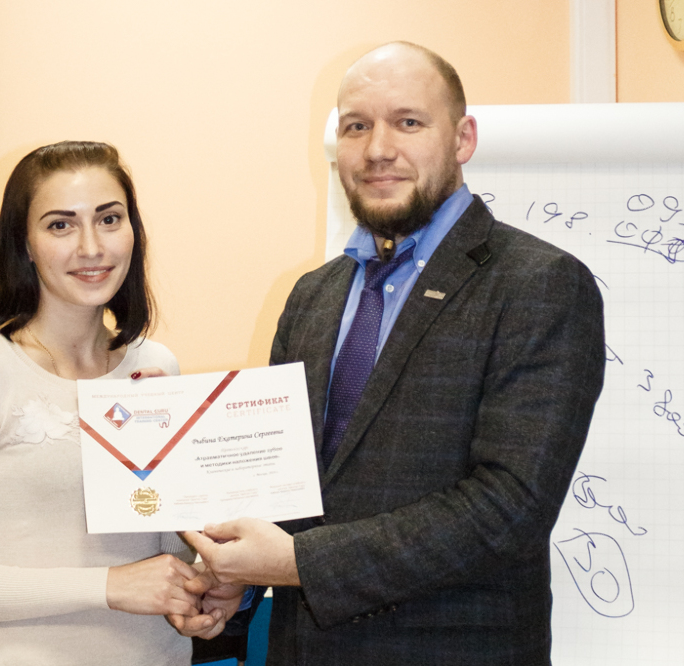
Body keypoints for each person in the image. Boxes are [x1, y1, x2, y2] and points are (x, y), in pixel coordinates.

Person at [183, 42, 607, 665]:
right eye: (356, 127)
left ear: (463, 138)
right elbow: (284, 485)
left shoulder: (539, 284)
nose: (378, 149)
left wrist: (297, 563)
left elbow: (509, 509)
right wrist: (237, 581)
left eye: (408, 122)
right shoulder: (312, 296)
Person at [0, 141, 236, 665]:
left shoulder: (156, 365)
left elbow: (166, 556)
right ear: (25, 243)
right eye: (61, 225)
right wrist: (109, 586)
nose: (91, 247)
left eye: (109, 219)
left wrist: (203, 589)